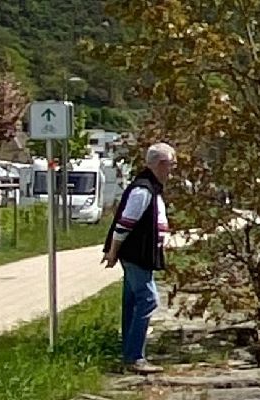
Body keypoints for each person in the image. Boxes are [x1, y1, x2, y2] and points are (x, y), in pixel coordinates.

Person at [102, 142, 176, 374]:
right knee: (148, 299)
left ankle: (130, 354)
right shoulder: (143, 190)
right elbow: (125, 224)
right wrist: (113, 251)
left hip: (141, 254)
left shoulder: (150, 188)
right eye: (171, 166)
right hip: (136, 254)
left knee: (133, 302)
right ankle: (135, 356)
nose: (171, 172)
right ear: (160, 165)